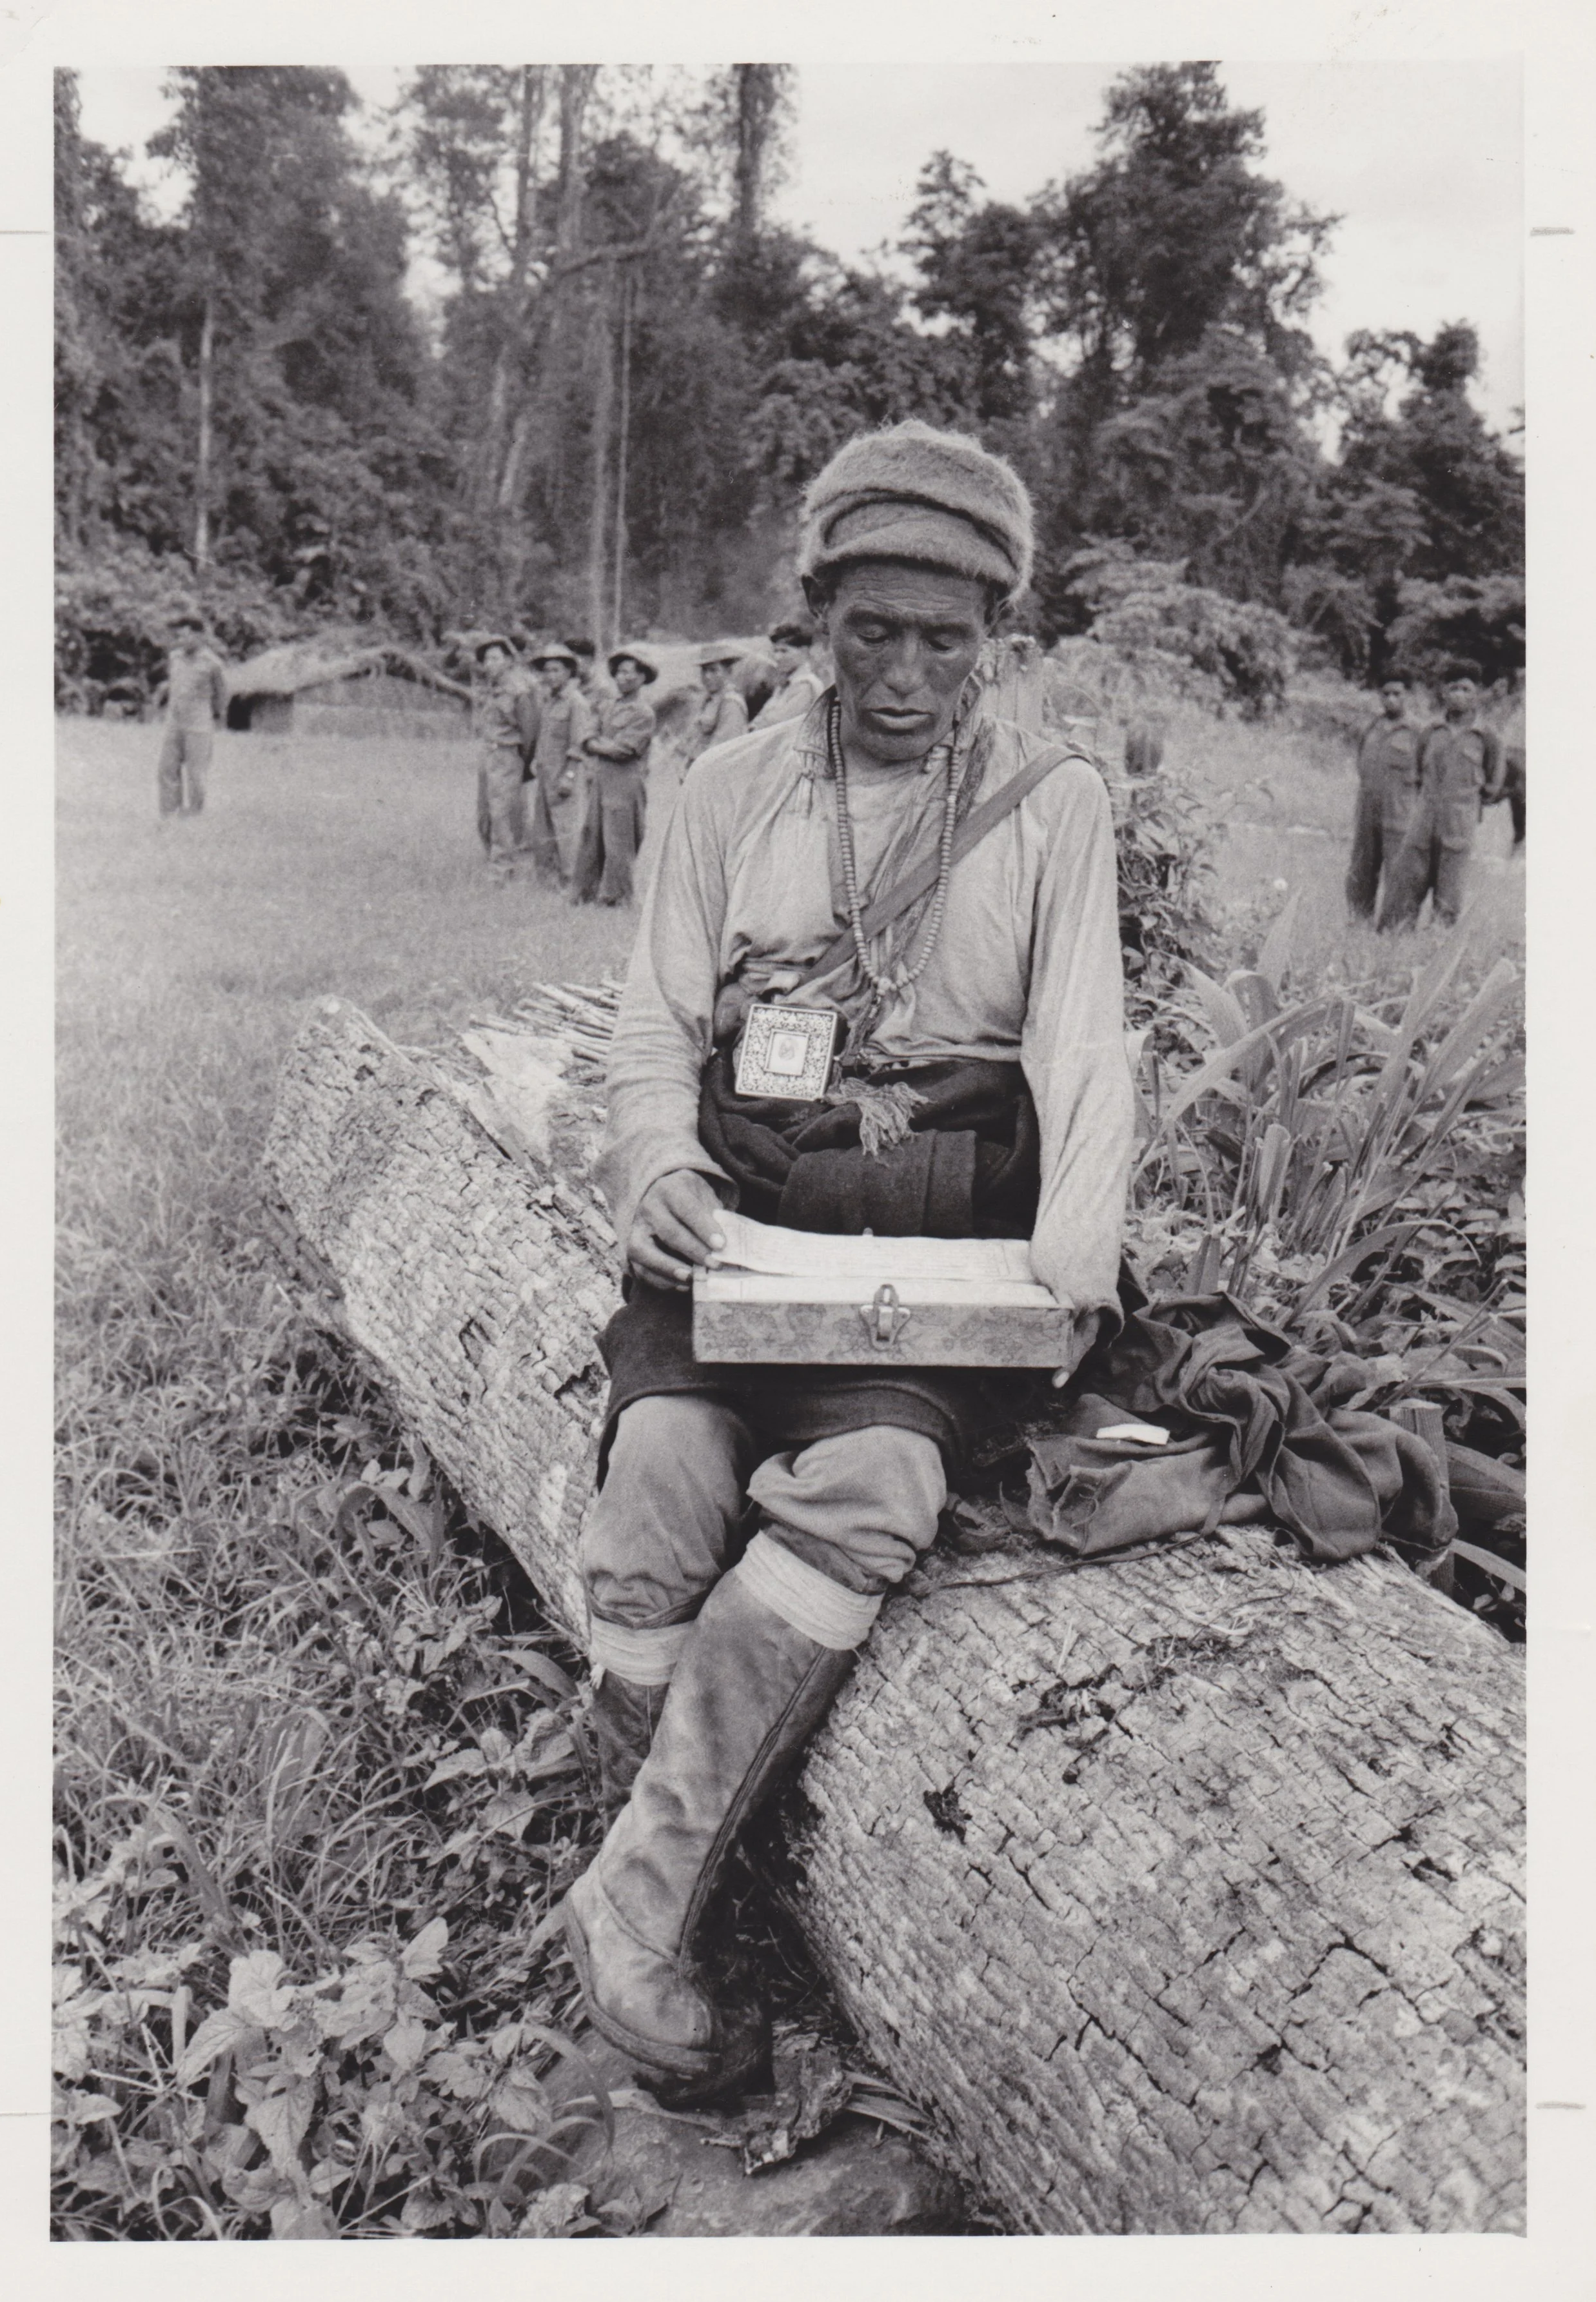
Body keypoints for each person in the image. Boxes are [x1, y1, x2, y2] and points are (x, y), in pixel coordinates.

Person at [560, 419, 1134, 2103]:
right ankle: (663, 1847)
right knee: (661, 1469)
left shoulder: (1050, 802)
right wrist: (657, 1162)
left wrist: (1073, 1247)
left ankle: (643, 1896)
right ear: (811, 618)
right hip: (738, 1219)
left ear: (992, 639)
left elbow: (1084, 1052)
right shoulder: (728, 787)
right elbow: (653, 1031)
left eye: (940, 637)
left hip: (928, 1249)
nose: (899, 672)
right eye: (865, 629)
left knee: (875, 1479)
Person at [1378, 664, 1504, 931]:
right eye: (1453, 688)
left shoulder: (1487, 737)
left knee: (1450, 893)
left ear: (1477, 694)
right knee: (1406, 883)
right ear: (1443, 693)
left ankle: (1436, 950)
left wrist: (1466, 803)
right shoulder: (1430, 731)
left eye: (1465, 689)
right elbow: (1417, 774)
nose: (1458, 694)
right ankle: (1393, 941)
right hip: (1424, 820)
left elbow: (1493, 785)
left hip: (1460, 823)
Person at [572, 644, 658, 908]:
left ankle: (616, 897)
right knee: (592, 835)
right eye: (619, 672)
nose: (624, 678)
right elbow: (585, 736)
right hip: (601, 778)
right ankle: (586, 892)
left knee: (619, 839)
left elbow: (624, 750)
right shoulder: (607, 706)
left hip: (625, 782)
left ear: (643, 678)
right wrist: (598, 744)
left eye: (631, 674)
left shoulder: (643, 713)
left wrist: (598, 745)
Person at [1344, 676, 1423, 920]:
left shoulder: (1419, 733)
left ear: (1407, 695)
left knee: (1398, 873)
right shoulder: (1372, 728)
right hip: (1368, 813)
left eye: (1397, 694)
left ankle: (1393, 928)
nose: (1391, 700)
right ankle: (1359, 922)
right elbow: (1362, 765)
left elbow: (1428, 777)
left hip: (1400, 815)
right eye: (1386, 694)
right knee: (1361, 870)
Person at [471, 636, 538, 881]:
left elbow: (529, 729)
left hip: (508, 753)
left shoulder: (519, 689)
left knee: (502, 812)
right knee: (485, 811)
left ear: (509, 661)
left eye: (496, 658)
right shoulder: (491, 688)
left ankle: (503, 868)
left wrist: (525, 763)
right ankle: (493, 858)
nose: (490, 664)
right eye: (486, 659)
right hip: (489, 752)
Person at [529, 643, 594, 882]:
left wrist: (570, 776)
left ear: (568, 673)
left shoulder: (576, 703)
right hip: (547, 775)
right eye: (547, 671)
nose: (551, 676)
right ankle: (547, 878)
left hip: (565, 776)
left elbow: (579, 744)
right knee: (543, 828)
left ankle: (571, 880)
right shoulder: (549, 701)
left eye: (557, 670)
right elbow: (544, 736)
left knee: (568, 829)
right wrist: (537, 760)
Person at [155, 611, 228, 819]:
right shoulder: (175, 658)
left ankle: (194, 814)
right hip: (175, 722)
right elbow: (175, 685)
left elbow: (222, 695)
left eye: (186, 636)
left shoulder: (213, 664)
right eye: (179, 637)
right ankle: (169, 813)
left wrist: (213, 716)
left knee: (196, 774)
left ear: (199, 636)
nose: (182, 641)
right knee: (166, 769)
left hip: (199, 724)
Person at [677, 644, 749, 777]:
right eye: (704, 671)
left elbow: (723, 749)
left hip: (717, 774)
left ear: (728, 672)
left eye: (714, 671)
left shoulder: (731, 703)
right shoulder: (708, 701)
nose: (707, 676)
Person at [752, 622, 824, 728]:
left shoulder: (806, 685)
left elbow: (779, 724)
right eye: (776, 651)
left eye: (784, 651)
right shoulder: (785, 684)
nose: (778, 657)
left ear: (804, 651)